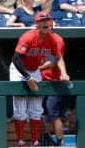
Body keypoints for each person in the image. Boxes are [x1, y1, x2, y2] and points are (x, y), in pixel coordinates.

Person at [10, 11, 70, 146]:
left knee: (36, 109)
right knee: (20, 109)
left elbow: (58, 58)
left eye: (47, 20)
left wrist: (64, 73)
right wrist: (27, 77)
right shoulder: (28, 37)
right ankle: (20, 141)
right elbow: (15, 59)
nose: (46, 23)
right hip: (19, 70)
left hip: (35, 69)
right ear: (36, 24)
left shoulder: (51, 39)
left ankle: (35, 142)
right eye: (42, 21)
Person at [39, 19, 66, 146]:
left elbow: (53, 61)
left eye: (48, 26)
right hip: (41, 81)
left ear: (51, 27)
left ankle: (60, 142)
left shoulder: (57, 39)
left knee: (53, 113)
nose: (45, 28)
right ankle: (48, 139)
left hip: (54, 81)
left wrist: (34, 69)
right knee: (38, 112)